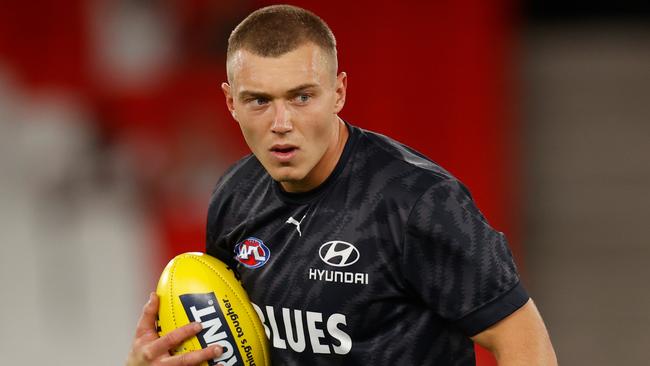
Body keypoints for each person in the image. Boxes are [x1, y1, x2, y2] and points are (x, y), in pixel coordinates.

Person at [127, 4, 557, 366]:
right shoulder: (235, 195)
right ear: (230, 102)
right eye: (259, 100)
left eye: (302, 97)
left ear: (339, 92)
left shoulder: (417, 202)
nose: (281, 124)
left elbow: (525, 341)